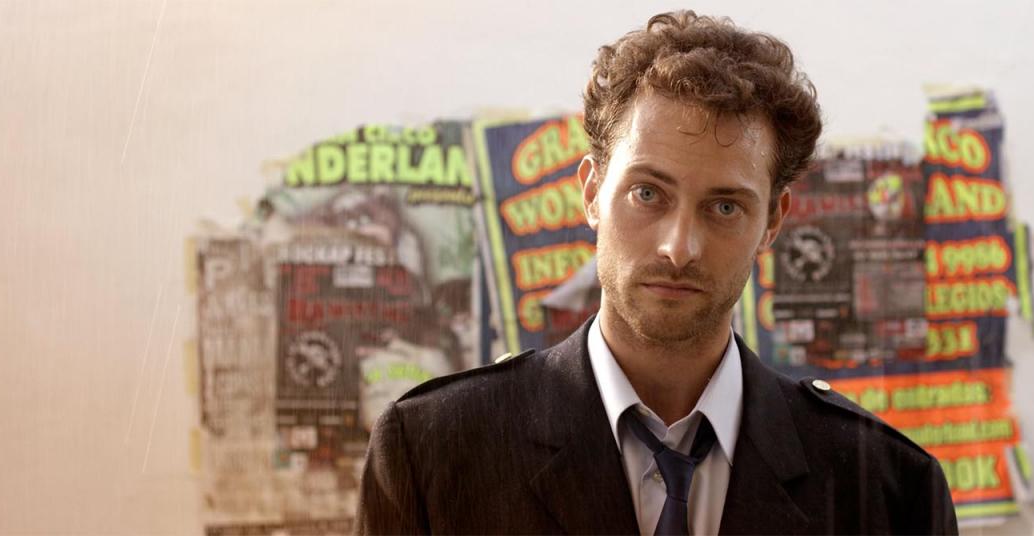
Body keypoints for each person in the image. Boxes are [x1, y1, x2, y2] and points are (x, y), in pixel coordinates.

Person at [356, 10, 957, 535]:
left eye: (725, 207)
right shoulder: (434, 450)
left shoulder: (889, 488)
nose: (679, 248)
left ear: (773, 221)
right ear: (592, 192)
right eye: (647, 193)